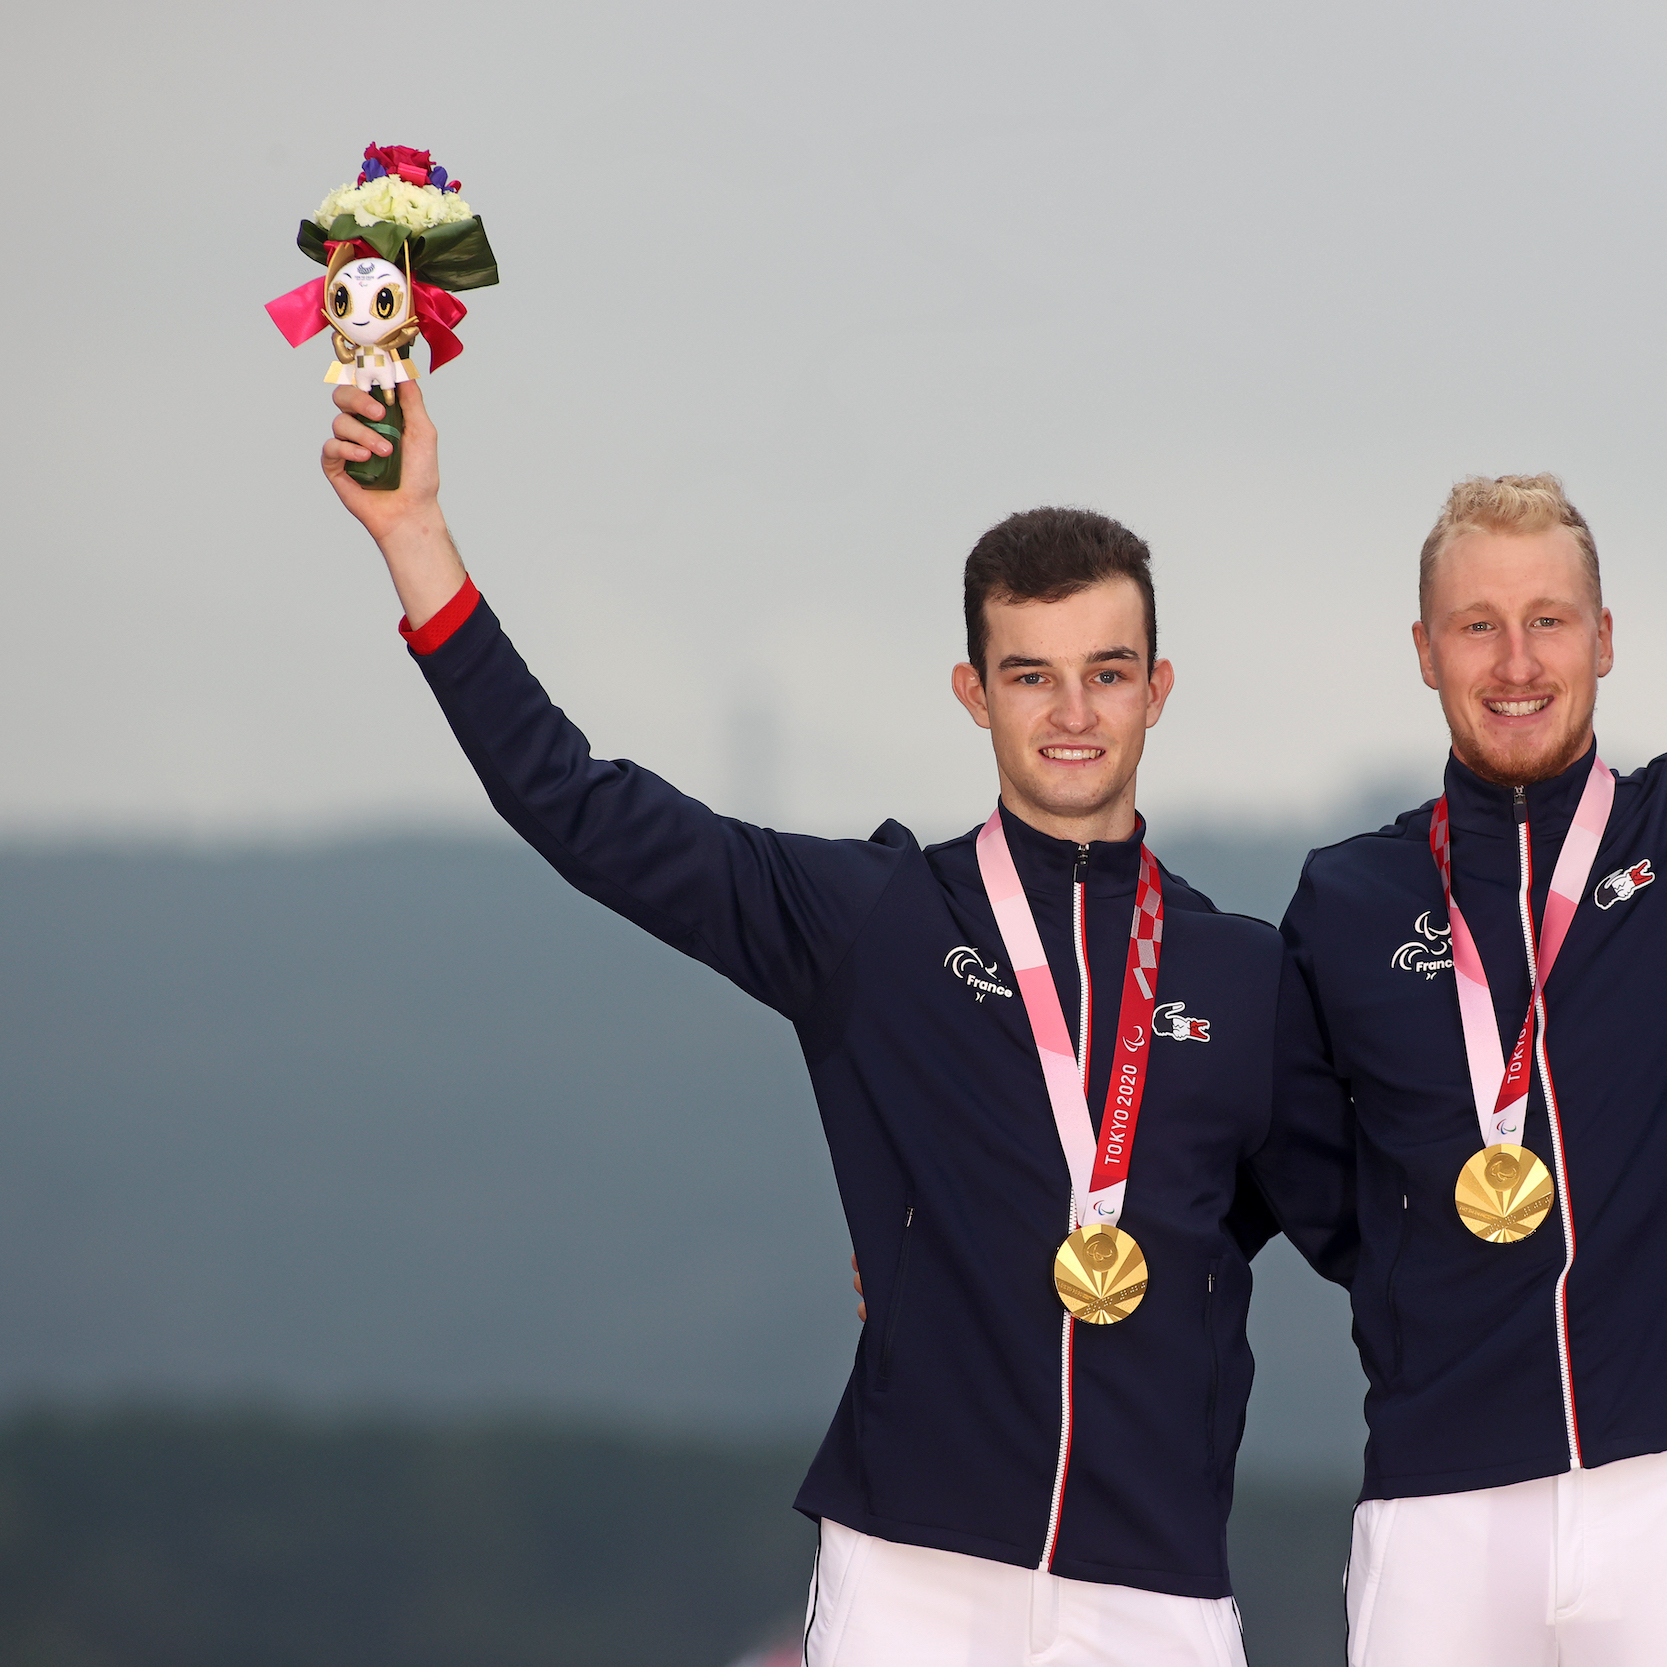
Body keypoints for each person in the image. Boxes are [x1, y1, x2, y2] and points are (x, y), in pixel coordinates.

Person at [320, 379, 1353, 1667]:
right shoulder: (874, 920)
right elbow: (580, 808)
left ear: (1158, 688)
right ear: (973, 692)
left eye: (1106, 672)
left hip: (1153, 1589)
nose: (1072, 712)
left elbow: (1383, 1234)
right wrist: (414, 533)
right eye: (1030, 674)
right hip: (911, 1573)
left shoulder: (1245, 980)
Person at [1282, 475, 1667, 1666]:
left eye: (1547, 619)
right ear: (1421, 648)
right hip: (1437, 1503)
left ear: (1602, 638)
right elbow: (1278, 1173)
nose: (1515, 660)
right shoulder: (1345, 899)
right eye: (1475, 624)